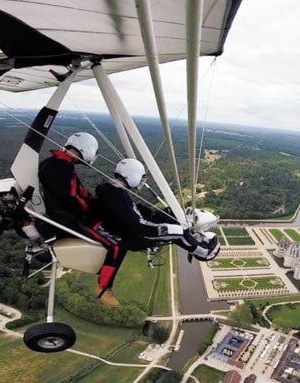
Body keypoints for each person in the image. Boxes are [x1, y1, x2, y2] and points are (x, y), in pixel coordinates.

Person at [91, 158, 219, 307]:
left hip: (124, 228)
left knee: (170, 214)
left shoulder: (112, 189)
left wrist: (149, 213)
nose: (141, 180)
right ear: (131, 175)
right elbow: (136, 225)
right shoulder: (115, 195)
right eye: (140, 176)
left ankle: (193, 236)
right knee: (177, 231)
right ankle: (204, 252)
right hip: (128, 235)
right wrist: (174, 229)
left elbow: (126, 214)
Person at [38, 132, 99, 236]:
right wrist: (90, 209)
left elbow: (76, 190)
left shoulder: (51, 162)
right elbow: (71, 197)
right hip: (64, 218)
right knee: (111, 240)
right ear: (87, 149)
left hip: (56, 213)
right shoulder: (63, 167)